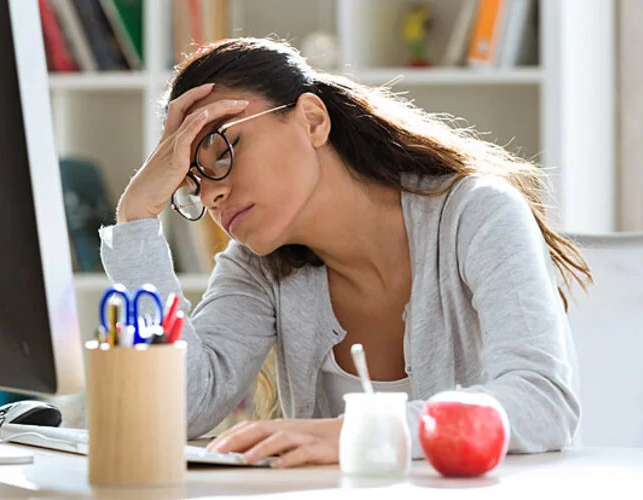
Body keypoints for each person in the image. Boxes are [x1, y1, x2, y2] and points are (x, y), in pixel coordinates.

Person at [99, 37, 590, 469]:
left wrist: (355, 432)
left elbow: (542, 402)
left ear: (312, 120)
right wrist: (137, 217)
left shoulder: (476, 215)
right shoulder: (257, 268)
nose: (211, 197)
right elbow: (182, 409)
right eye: (193, 184)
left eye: (222, 151)